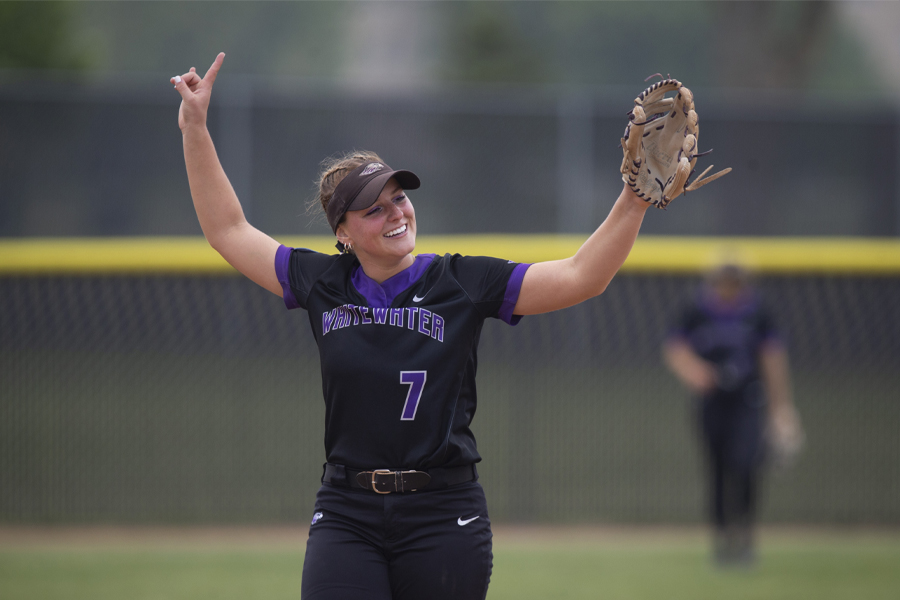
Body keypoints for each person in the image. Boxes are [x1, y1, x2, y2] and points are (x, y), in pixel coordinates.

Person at [172, 53, 650, 600]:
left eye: (399, 198)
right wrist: (195, 126)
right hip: (347, 509)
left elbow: (580, 277)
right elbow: (227, 229)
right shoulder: (322, 281)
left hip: (443, 513)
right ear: (343, 232)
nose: (396, 213)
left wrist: (633, 201)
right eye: (374, 209)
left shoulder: (462, 281)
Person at [662, 261, 803, 567]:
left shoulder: (757, 312)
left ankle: (747, 538)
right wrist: (695, 372)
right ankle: (722, 540)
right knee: (717, 470)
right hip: (712, 401)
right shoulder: (696, 309)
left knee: (747, 465)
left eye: (734, 282)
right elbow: (675, 347)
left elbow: (772, 357)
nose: (729, 287)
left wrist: (782, 408)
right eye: (723, 281)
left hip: (748, 399)